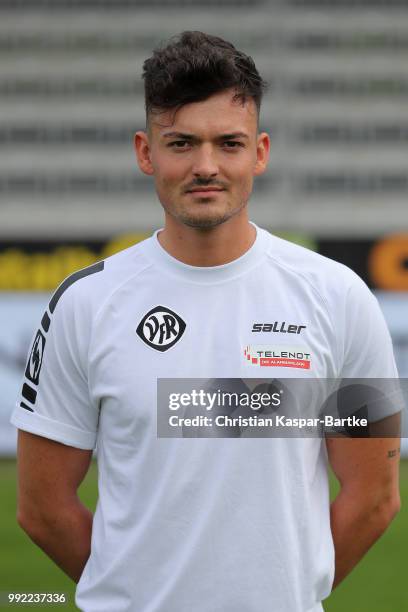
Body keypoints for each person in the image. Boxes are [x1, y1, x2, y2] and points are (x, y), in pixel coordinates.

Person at [11, 31, 401, 612]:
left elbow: (374, 496)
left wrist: (287, 594)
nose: (206, 166)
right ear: (146, 152)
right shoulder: (84, 303)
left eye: (230, 143)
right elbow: (41, 508)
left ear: (261, 152)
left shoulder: (340, 297)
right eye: (182, 143)